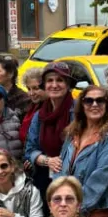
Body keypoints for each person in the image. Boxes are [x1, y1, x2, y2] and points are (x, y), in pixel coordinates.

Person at [56, 86, 108, 217]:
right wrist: (58, 199)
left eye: (100, 100)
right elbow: (60, 166)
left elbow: (102, 178)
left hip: (93, 215)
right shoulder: (72, 133)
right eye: (89, 101)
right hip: (68, 210)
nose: (94, 104)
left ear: (107, 105)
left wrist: (76, 208)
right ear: (82, 105)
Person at [25, 62, 76, 201]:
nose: (54, 85)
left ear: (68, 85)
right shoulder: (40, 115)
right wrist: (48, 161)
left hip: (72, 179)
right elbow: (30, 150)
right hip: (44, 179)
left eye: (60, 80)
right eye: (50, 81)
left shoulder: (79, 111)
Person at [19, 67, 45, 145]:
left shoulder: (50, 109)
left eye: (35, 88)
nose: (31, 93)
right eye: (28, 89)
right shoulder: (30, 107)